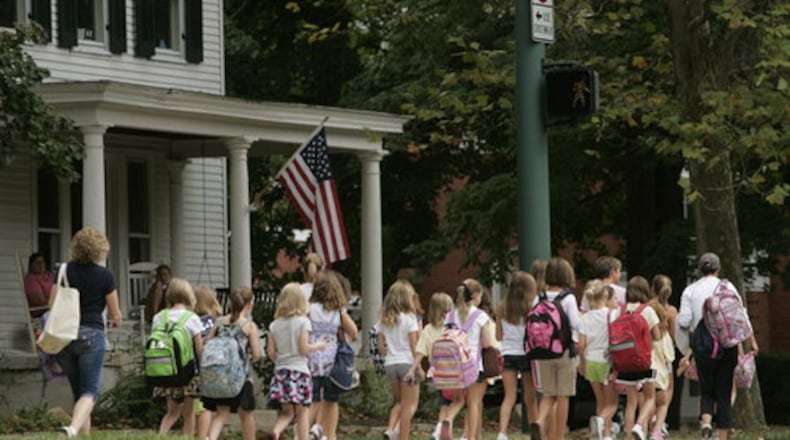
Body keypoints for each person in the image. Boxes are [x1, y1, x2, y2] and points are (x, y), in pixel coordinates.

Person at [677, 253, 757, 440]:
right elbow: (741, 315)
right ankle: (722, 437)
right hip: (727, 344)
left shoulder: (691, 290)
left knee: (706, 390)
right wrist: (751, 340)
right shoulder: (728, 286)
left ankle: (705, 423)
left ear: (699, 270)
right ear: (718, 269)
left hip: (703, 345)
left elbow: (684, 320)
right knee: (724, 392)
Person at [53, 228, 123, 437]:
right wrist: (115, 321)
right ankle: (73, 429)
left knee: (80, 393)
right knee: (90, 391)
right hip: (92, 334)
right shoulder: (105, 275)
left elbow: (52, 303)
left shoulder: (63, 270)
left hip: (65, 336)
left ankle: (82, 435)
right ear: (100, 249)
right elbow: (115, 313)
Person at [266, 283, 327, 440]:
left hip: (281, 371)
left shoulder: (274, 325)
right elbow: (303, 349)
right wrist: (319, 346)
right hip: (299, 371)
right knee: (302, 412)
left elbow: (271, 352)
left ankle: (276, 431)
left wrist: (280, 361)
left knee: (287, 411)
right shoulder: (303, 322)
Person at [529, 257, 580, 440]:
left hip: (543, 352)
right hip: (565, 352)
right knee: (563, 395)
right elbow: (575, 324)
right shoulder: (568, 298)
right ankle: (558, 436)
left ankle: (540, 421)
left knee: (548, 394)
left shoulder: (539, 297)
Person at [205, 287, 262, 440]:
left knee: (221, 413)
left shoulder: (219, 322)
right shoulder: (249, 326)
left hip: (221, 376)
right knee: (246, 414)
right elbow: (257, 355)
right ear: (250, 305)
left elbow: (207, 345)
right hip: (242, 378)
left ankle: (209, 438)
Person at [307, 270, 358, 440]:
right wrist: (342, 313)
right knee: (331, 401)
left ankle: (302, 433)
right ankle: (329, 435)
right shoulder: (338, 312)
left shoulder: (309, 308)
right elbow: (354, 332)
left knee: (312, 402)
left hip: (312, 360)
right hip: (332, 363)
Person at [151, 278, 205, 437]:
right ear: (188, 294)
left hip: (166, 369)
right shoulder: (192, 318)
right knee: (188, 414)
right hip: (187, 372)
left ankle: (159, 436)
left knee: (171, 413)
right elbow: (199, 348)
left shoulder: (159, 317)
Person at [611, 276, 661, 440]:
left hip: (624, 363)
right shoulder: (647, 310)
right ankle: (639, 426)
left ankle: (628, 436)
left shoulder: (620, 310)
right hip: (646, 363)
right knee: (650, 397)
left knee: (631, 402)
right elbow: (657, 336)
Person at [447, 278, 494, 440]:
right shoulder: (481, 316)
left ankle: (448, 420)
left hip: (455, 364)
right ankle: (471, 437)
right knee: (473, 403)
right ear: (475, 295)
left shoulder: (450, 315)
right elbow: (487, 343)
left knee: (458, 400)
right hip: (474, 364)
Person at [495, 271, 539, 440]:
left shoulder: (501, 307)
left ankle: (502, 433)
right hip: (526, 353)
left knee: (509, 396)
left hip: (508, 353)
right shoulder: (531, 306)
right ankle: (535, 428)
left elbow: (499, 336)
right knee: (530, 396)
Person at [376, 280, 421, 440]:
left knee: (399, 401)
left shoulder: (384, 319)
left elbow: (381, 347)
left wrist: (388, 352)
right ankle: (402, 436)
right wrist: (419, 367)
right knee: (410, 405)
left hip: (390, 364)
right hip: (407, 363)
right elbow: (414, 345)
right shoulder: (410, 318)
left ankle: (391, 429)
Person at [406, 292, 455, 440]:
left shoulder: (427, 329)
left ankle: (441, 431)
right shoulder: (452, 328)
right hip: (454, 371)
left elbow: (420, 351)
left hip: (438, 373)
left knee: (445, 402)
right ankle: (443, 428)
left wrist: (413, 368)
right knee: (458, 401)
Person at [578, 280, 617, 440]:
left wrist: (582, 363)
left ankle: (602, 433)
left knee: (599, 400)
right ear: (606, 295)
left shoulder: (584, 318)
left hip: (590, 361)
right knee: (612, 402)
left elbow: (581, 345)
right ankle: (603, 426)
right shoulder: (611, 314)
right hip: (607, 361)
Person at [647, 275, 677, 440]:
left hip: (649, 352)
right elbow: (674, 335)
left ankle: (651, 420)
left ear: (653, 289)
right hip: (665, 353)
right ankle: (660, 423)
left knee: (649, 392)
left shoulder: (648, 307)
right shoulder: (671, 311)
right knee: (668, 390)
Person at [194, 286, 223, 439]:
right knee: (207, 407)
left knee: (196, 406)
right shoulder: (216, 322)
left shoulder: (193, 321)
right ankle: (204, 436)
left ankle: (197, 434)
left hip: (194, 369)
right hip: (214, 369)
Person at [24, 252, 54, 317]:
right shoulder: (31, 280)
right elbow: (41, 302)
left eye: (42, 262)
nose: (41, 265)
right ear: (31, 265)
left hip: (53, 308)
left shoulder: (49, 275)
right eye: (37, 263)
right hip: (42, 313)